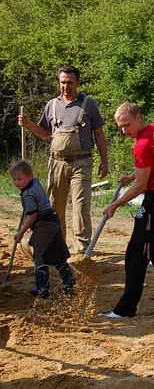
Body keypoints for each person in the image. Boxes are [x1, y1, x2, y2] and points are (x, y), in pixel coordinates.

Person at [99, 102, 154, 318]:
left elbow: (141, 186)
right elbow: (153, 165)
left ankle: (126, 309)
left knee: (136, 252)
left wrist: (115, 204)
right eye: (120, 127)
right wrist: (131, 176)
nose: (124, 130)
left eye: (126, 125)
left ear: (138, 118)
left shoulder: (142, 144)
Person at [18, 65, 109, 254]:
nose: (65, 86)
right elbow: (44, 133)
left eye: (69, 82)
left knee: (81, 206)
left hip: (81, 163)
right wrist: (28, 125)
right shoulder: (52, 105)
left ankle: (82, 249)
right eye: (62, 82)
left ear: (78, 83)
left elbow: (99, 134)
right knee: (54, 207)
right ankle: (57, 246)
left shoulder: (89, 104)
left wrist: (104, 160)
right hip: (57, 163)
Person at [10, 160, 75, 299]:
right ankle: (69, 284)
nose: (17, 182)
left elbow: (32, 215)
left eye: (20, 179)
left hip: (44, 224)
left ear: (30, 176)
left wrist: (21, 232)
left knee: (40, 257)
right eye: (14, 179)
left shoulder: (28, 194)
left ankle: (43, 290)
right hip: (53, 219)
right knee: (57, 254)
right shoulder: (35, 182)